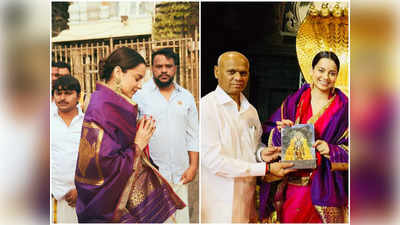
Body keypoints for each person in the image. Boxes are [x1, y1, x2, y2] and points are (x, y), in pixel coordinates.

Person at [74, 47, 185, 223]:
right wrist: (138, 145)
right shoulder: (104, 106)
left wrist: (136, 133)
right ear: (118, 72)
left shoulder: (108, 102)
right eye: (137, 78)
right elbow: (104, 163)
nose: (140, 85)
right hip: (105, 204)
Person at [201, 51, 296, 223]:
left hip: (247, 199)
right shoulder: (207, 107)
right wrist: (264, 169)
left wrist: (262, 154)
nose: (238, 77)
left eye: (243, 73)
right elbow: (213, 161)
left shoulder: (250, 110)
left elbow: (253, 146)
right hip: (217, 201)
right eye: (231, 72)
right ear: (216, 72)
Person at [259, 51, 348, 223]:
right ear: (312, 70)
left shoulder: (345, 108)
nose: (325, 77)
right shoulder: (295, 101)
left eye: (332, 73)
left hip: (326, 187)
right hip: (292, 185)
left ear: (337, 75)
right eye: (321, 70)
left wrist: (331, 149)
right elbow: (269, 134)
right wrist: (282, 132)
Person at [133, 48, 198, 223]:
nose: (163, 70)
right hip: (151, 174)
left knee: (181, 220)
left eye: (168, 66)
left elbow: (193, 134)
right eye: (159, 66)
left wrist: (193, 166)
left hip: (180, 173)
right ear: (151, 68)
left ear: (175, 68)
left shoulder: (186, 97)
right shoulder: (140, 96)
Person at [51, 75, 84, 223]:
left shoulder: (88, 123)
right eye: (58, 93)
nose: (62, 98)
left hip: (81, 197)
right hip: (52, 198)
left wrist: (82, 190)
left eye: (68, 93)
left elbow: (93, 161)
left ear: (78, 96)